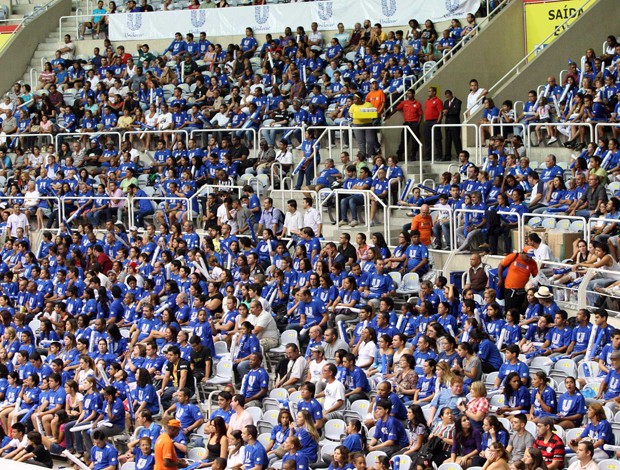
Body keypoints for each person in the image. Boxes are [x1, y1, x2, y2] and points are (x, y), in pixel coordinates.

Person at [497, 246, 539, 312]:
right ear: (522, 253)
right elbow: (501, 265)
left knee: (521, 311)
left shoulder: (532, 263)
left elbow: (536, 276)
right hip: (510, 290)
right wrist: (500, 279)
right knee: (510, 311)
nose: (529, 259)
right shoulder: (514, 256)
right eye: (527, 256)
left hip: (523, 291)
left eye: (530, 257)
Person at [424, 86, 443, 161]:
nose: (429, 93)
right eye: (428, 91)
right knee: (427, 139)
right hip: (427, 122)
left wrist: (438, 122)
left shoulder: (438, 101)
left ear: (434, 92)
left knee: (437, 139)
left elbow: (440, 112)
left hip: (435, 121)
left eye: (430, 91)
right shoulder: (427, 101)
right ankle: (428, 156)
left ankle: (439, 155)